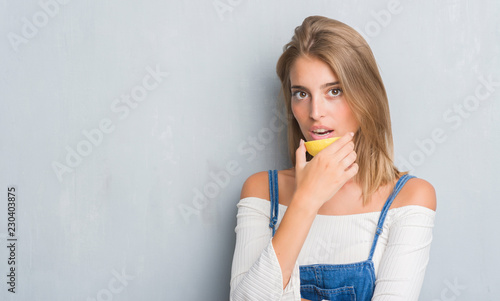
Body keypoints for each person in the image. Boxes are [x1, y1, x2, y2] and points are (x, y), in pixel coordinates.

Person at [230, 16, 436, 301]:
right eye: (301, 93)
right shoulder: (262, 190)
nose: (315, 112)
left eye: (334, 91)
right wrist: (307, 199)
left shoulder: (409, 197)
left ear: (367, 97)